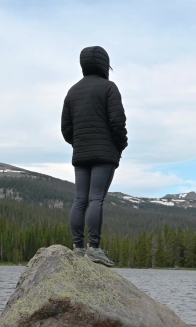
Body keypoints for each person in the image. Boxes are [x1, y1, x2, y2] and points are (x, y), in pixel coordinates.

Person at [61, 46, 128, 266]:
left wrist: (79, 142)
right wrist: (120, 145)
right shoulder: (109, 87)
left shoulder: (72, 91)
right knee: (96, 198)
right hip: (104, 153)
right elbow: (117, 122)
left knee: (80, 200)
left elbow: (66, 128)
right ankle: (94, 249)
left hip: (80, 153)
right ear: (104, 64)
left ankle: (78, 247)